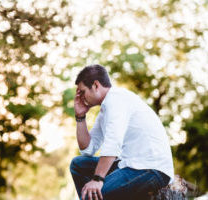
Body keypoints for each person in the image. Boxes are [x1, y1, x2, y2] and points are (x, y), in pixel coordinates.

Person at [70, 64, 174, 200]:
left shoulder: (116, 99)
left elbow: (113, 142)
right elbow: (88, 150)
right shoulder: (105, 109)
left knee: (92, 197)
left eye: (82, 91)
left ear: (96, 85)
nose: (81, 97)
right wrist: (80, 117)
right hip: (129, 164)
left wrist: (97, 179)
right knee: (78, 164)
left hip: (151, 169)